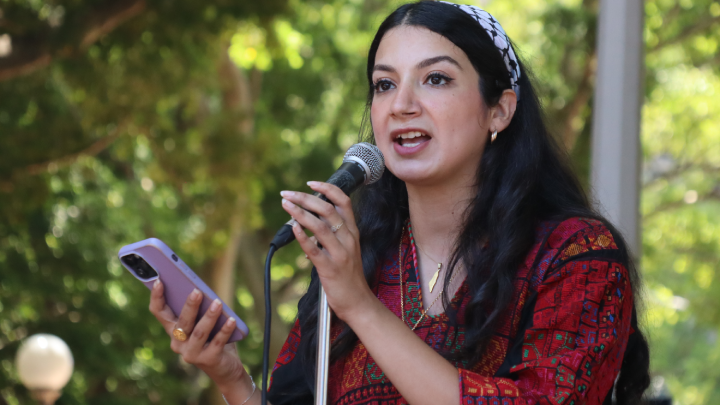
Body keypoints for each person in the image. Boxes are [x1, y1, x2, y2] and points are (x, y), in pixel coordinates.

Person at [148, 2, 651, 404]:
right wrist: (232, 379)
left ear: (499, 109)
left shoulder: (577, 254)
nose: (402, 104)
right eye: (384, 85)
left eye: (436, 79)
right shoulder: (360, 257)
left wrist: (360, 306)